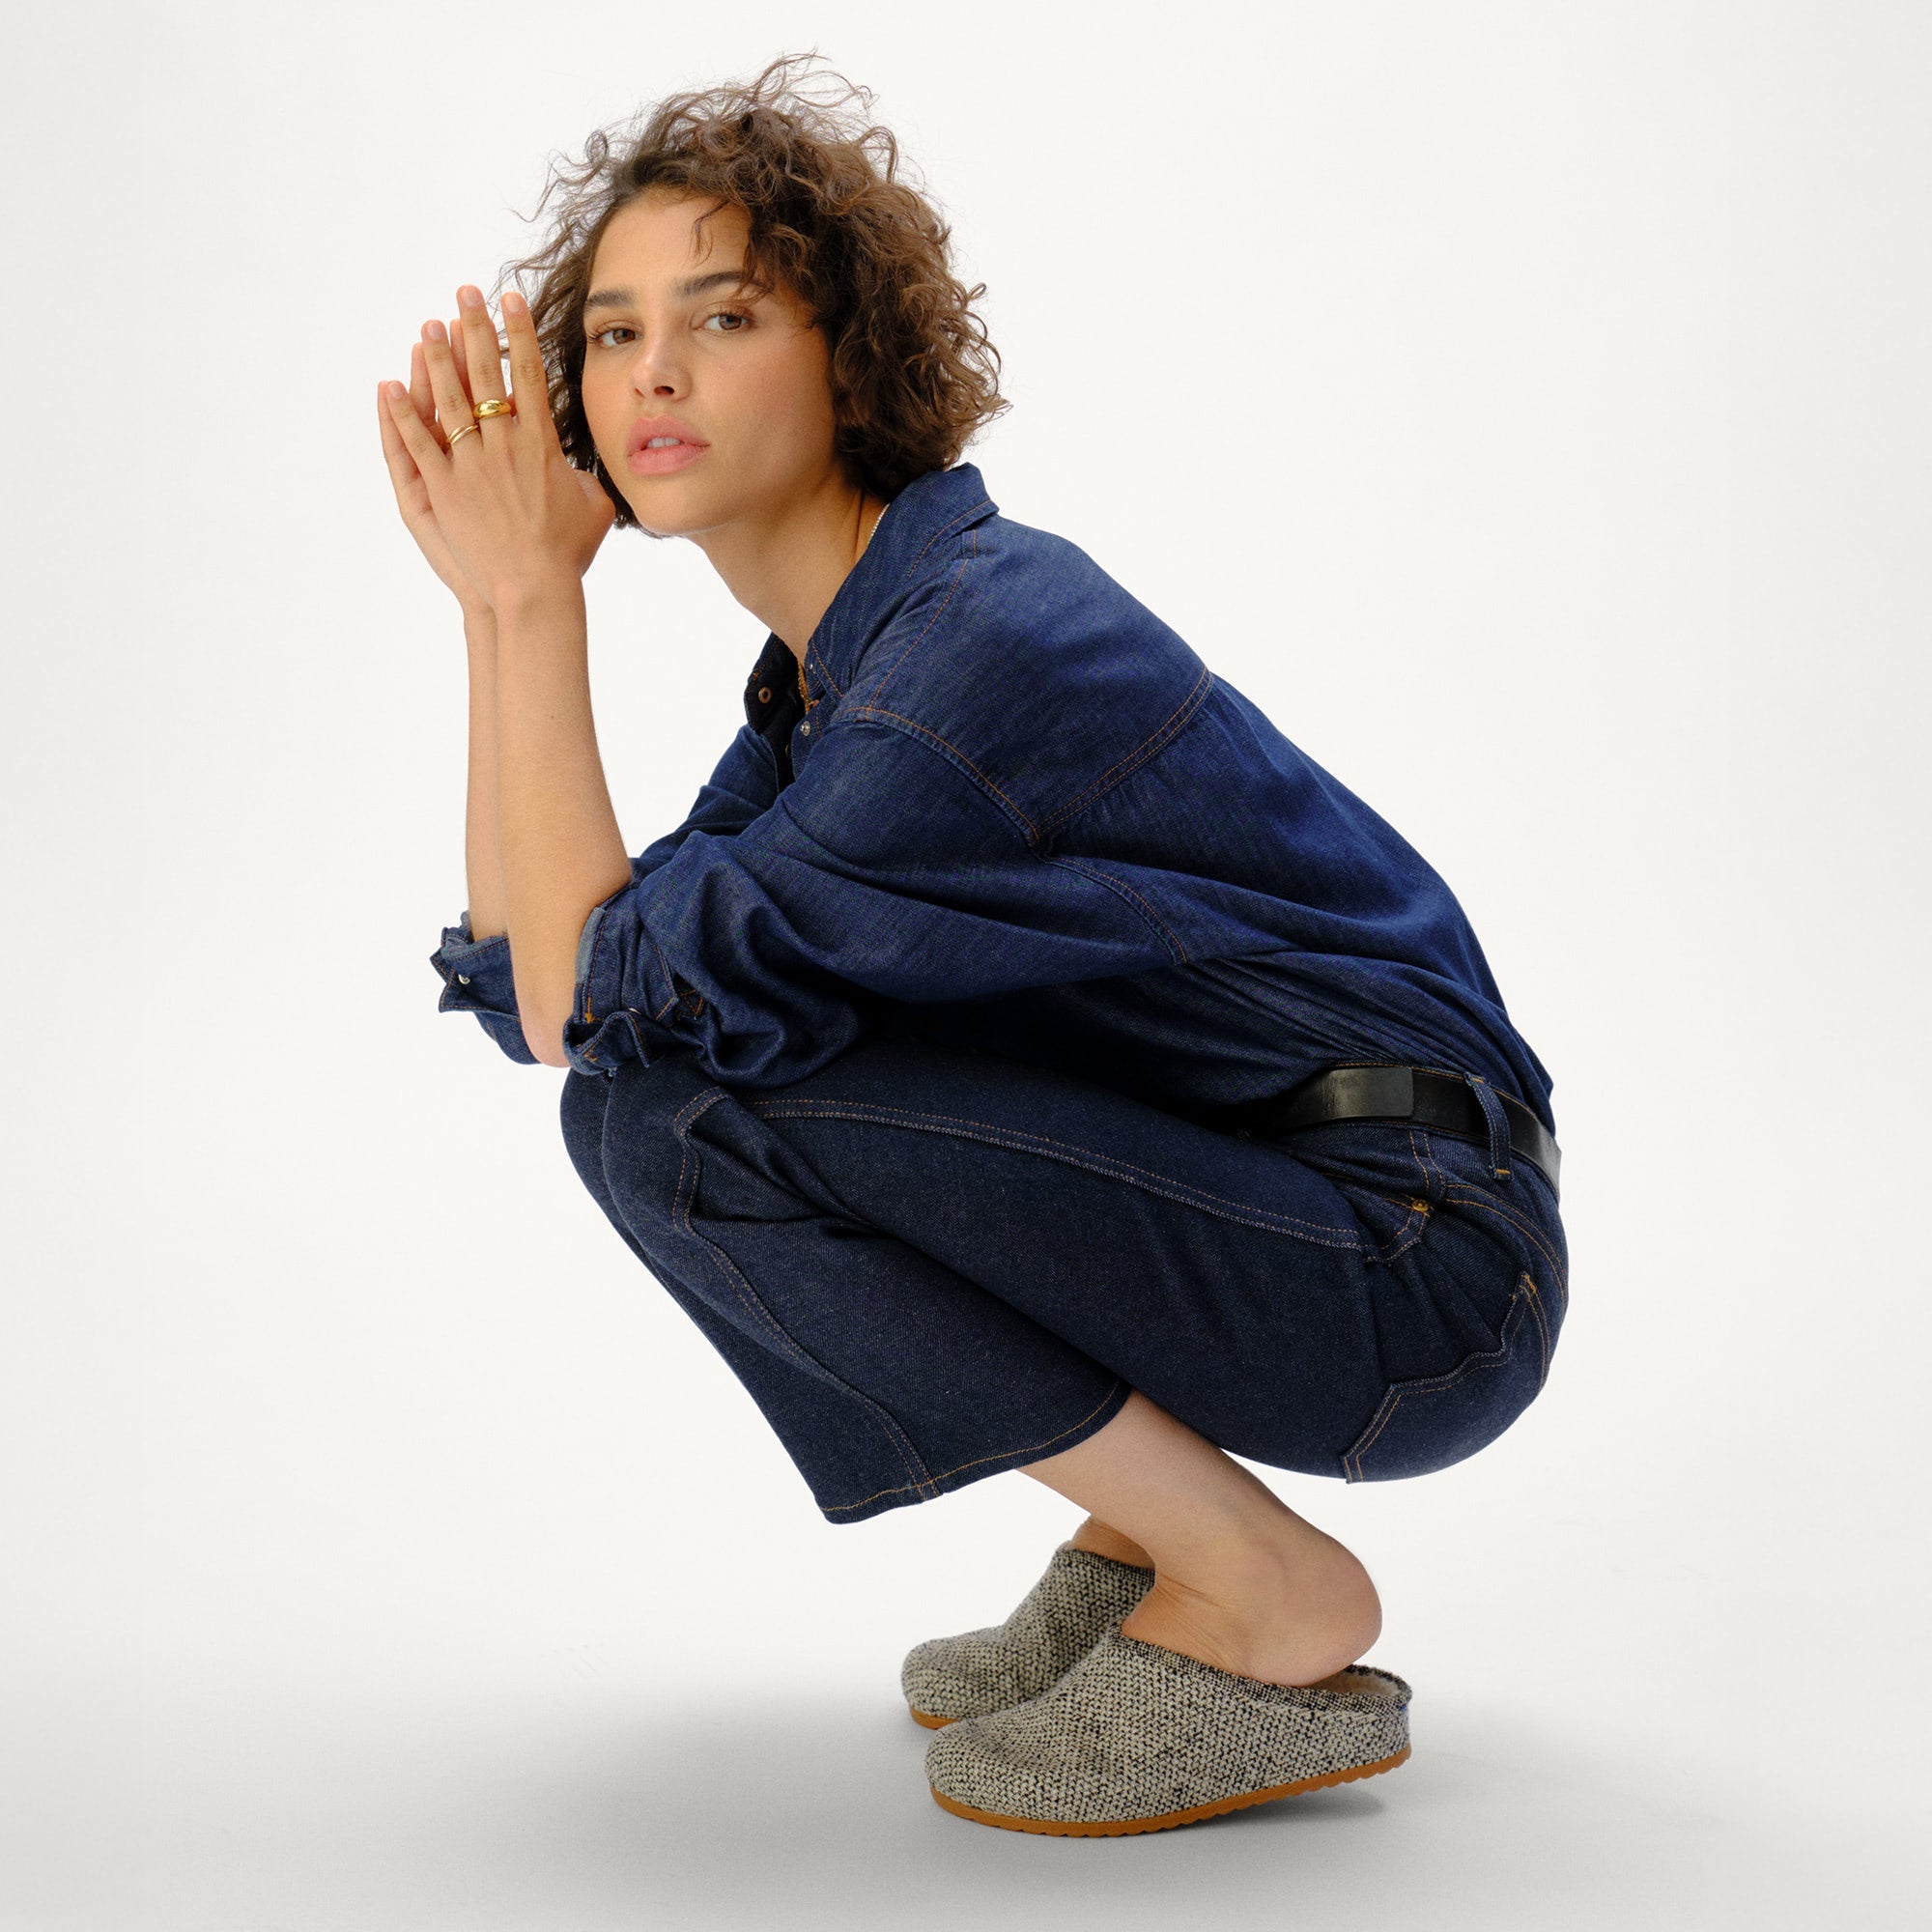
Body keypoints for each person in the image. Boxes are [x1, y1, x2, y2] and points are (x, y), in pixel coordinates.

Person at [376, 53, 1568, 1838]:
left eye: (723, 316)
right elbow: (566, 969)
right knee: (671, 1075)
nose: (654, 373)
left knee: (676, 1125)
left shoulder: (960, 667)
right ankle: (1150, 1533)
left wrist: (534, 596)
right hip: (1304, 1206)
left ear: (850, 359)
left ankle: (1259, 1587)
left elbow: (590, 1010)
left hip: (1412, 1274)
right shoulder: (838, 667)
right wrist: (493, 604)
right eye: (613, 336)